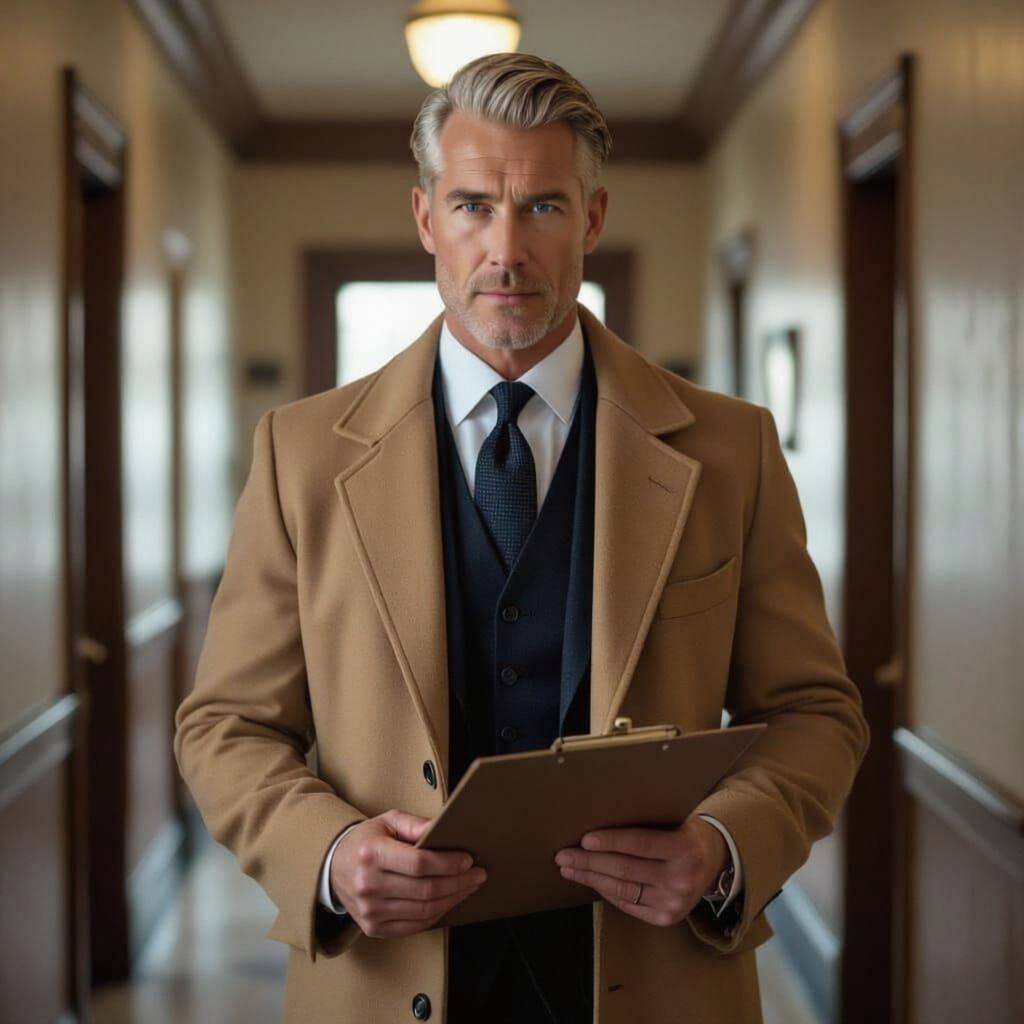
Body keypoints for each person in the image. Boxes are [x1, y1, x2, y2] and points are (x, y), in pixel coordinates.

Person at [174, 51, 869, 1024]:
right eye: (471, 206)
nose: (504, 251)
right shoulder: (300, 455)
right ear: (425, 218)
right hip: (384, 985)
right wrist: (325, 855)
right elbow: (225, 725)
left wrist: (720, 844)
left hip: (653, 982)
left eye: (540, 206)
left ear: (591, 217)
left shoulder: (731, 449)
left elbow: (815, 713)